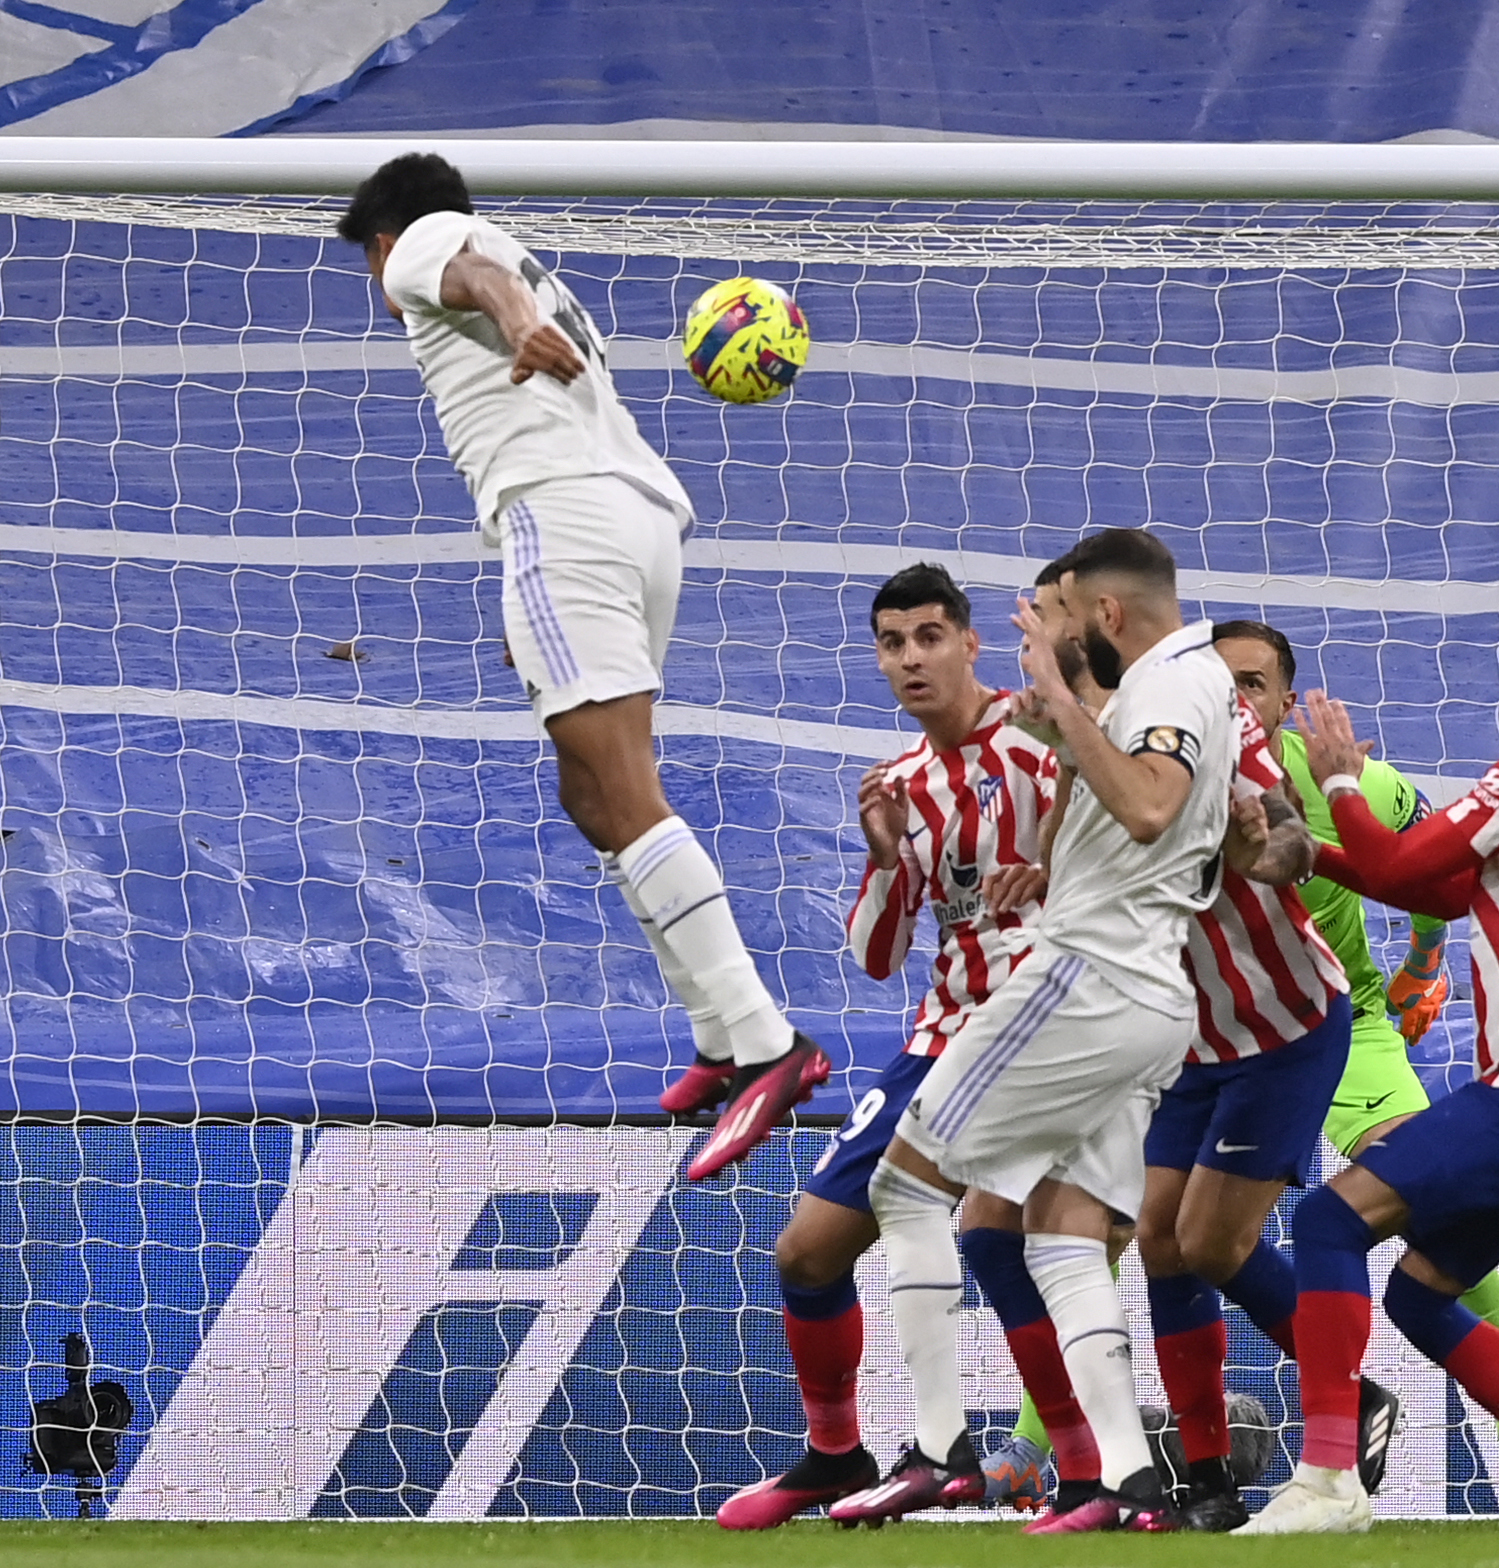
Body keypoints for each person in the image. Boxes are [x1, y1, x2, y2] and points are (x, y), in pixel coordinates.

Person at [334, 153, 828, 1181]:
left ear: (382, 244)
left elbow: (473, 273)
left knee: (623, 788)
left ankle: (772, 1045)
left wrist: (512, 318)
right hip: (632, 521)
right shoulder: (535, 269)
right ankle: (718, 1032)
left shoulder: (429, 246)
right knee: (590, 792)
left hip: (563, 518)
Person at [830, 528, 1238, 1534]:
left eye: (1047, 617)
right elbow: (1119, 824)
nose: (1035, 639)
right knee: (1061, 1229)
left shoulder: (1171, 686)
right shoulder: (1172, 687)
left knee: (905, 1184)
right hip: (1147, 989)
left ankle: (935, 1450)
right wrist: (1066, 737)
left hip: (1086, 976)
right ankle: (1130, 1482)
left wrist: (1059, 706)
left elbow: (1148, 808)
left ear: (1100, 616)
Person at [1237, 612, 1499, 1535]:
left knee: (1325, 1221)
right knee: (1420, 1293)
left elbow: (1404, 858)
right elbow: (1432, 889)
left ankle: (1326, 1482)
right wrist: (1317, 852)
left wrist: (1340, 782)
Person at [713, 564, 1055, 1528]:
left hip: (1049, 1030)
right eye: (893, 643)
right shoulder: (899, 783)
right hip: (940, 1037)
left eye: (930, 636)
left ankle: (1010, 1457)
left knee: (1053, 1243)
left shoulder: (1040, 744)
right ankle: (835, 1455)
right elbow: (876, 957)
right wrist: (880, 854)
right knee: (808, 1253)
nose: (912, 658)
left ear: (970, 642)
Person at [1135, 685, 1351, 1532]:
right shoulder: (1081, 747)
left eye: (1260, 684)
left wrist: (1283, 845)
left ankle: (1349, 1396)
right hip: (1191, 1040)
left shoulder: (1214, 728)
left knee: (1208, 1240)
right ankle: (1208, 1477)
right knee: (1157, 1235)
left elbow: (1294, 831)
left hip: (1285, 1027)